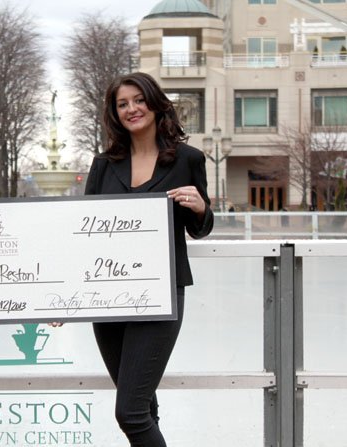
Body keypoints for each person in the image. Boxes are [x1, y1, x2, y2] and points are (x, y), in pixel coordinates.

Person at [84, 72, 214, 446]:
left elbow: (199, 229)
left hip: (160, 296)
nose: (131, 109)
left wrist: (201, 207)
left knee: (130, 410)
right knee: (144, 406)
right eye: (122, 104)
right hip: (107, 298)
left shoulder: (187, 159)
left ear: (155, 103)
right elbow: (83, 232)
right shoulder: (104, 165)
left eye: (138, 100)